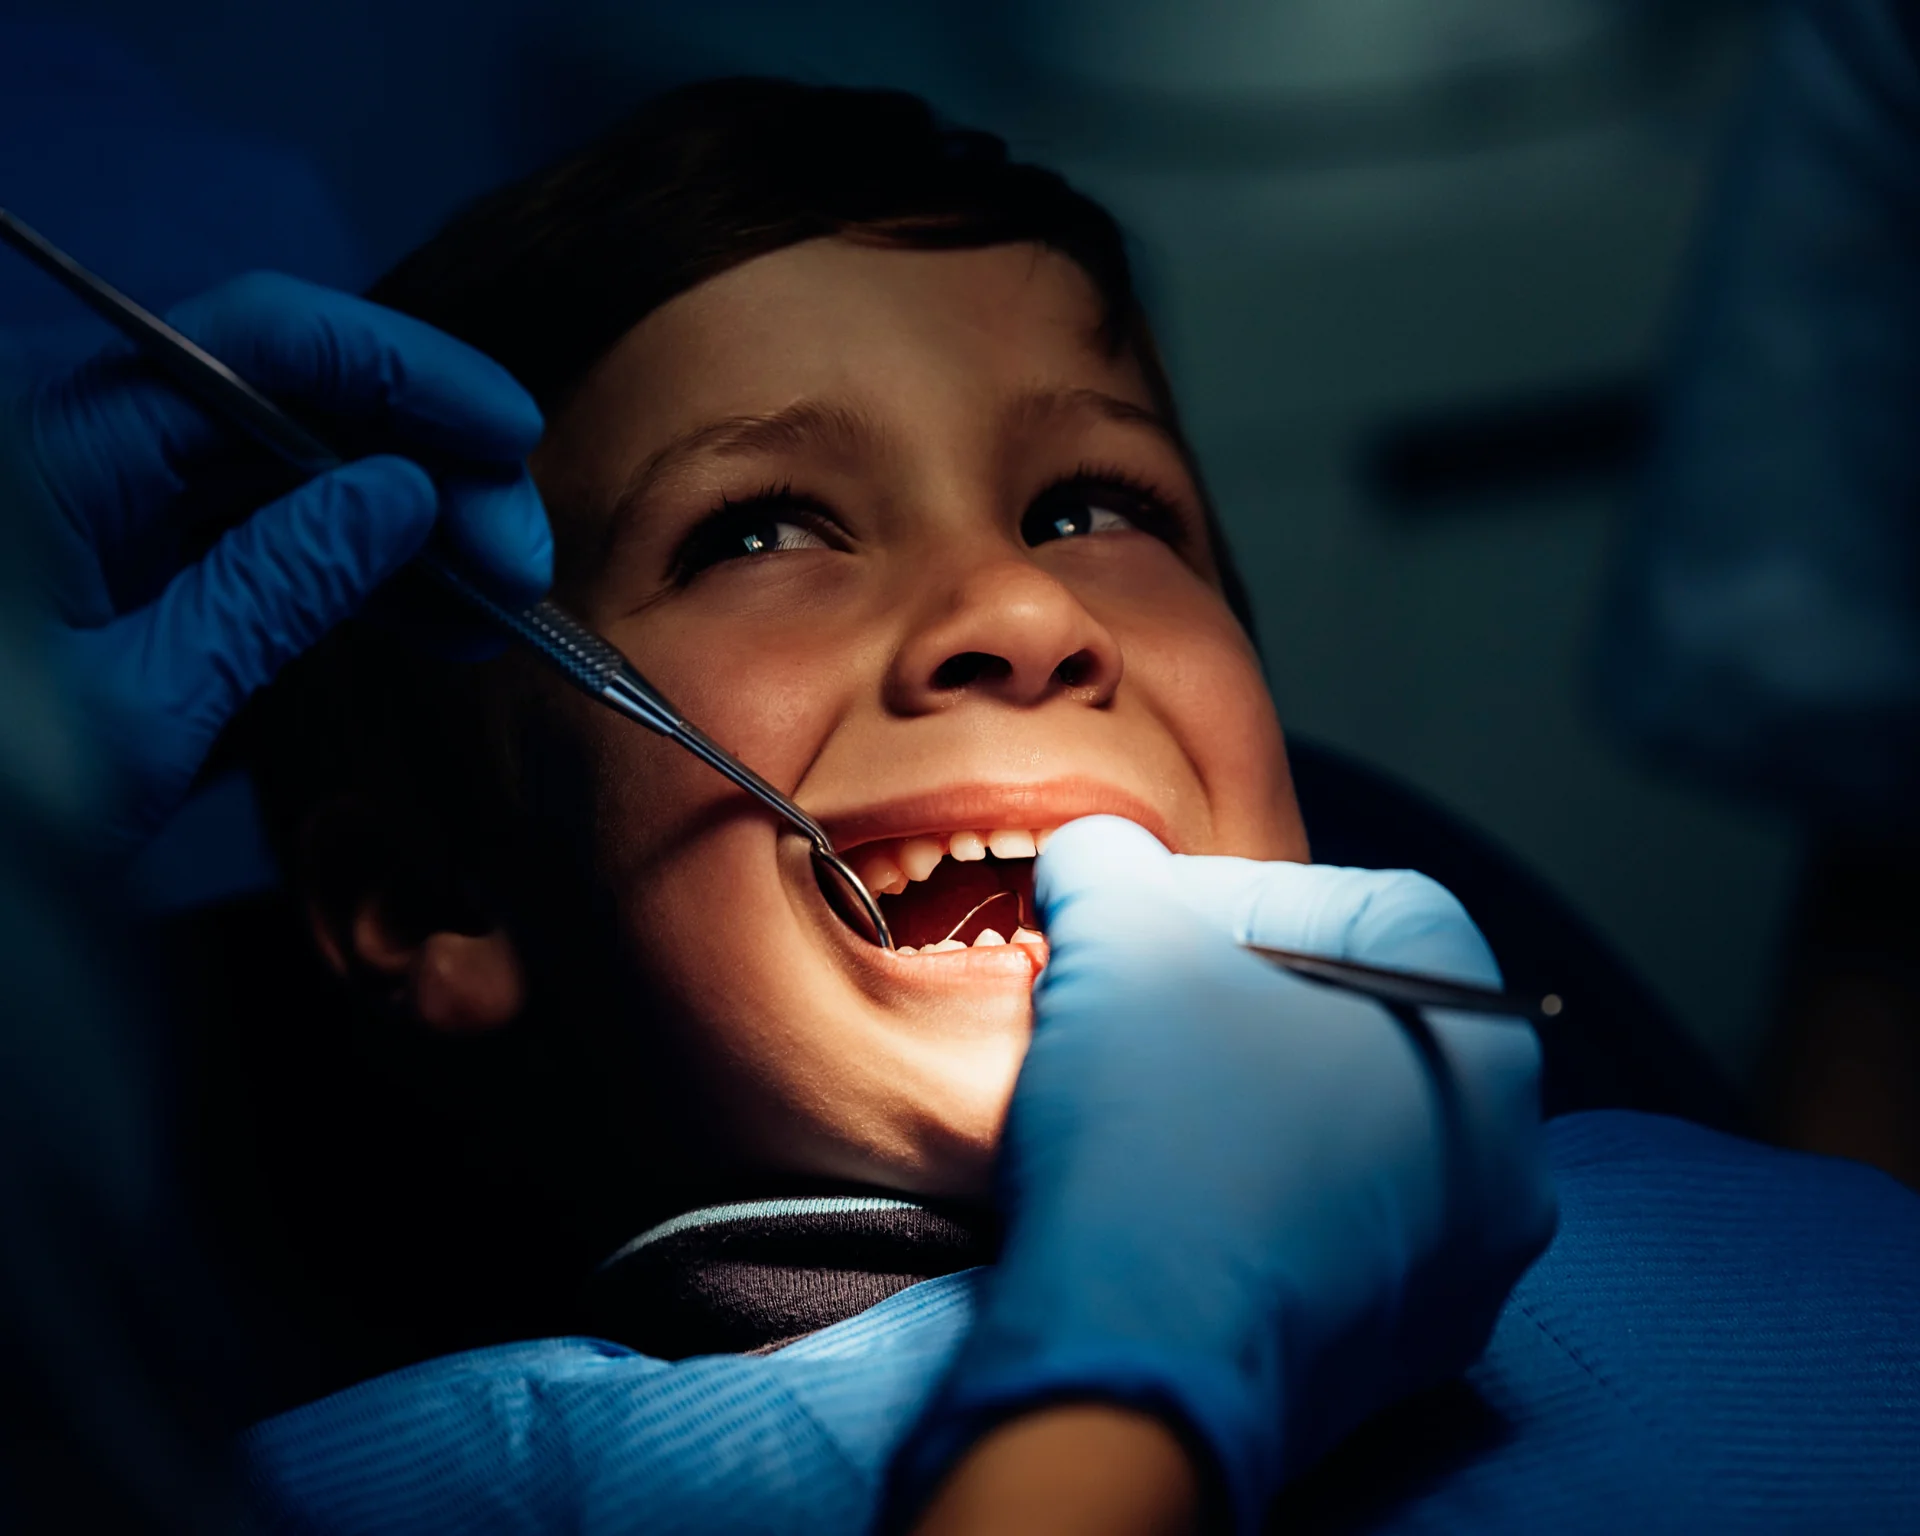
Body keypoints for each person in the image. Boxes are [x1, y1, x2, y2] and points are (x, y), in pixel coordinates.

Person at [19, 79, 1919, 1535]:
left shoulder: (1829, 1264)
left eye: (1098, 508)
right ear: (434, 898)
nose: (1024, 613)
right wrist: (1153, 1368)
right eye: (758, 530)